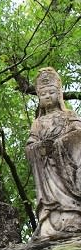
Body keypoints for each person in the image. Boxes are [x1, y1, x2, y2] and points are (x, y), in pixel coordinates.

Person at [25, 67, 81, 238]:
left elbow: (78, 134)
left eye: (51, 92)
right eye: (43, 94)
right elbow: (30, 145)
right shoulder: (38, 123)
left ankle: (72, 216)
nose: (47, 96)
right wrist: (39, 148)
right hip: (46, 170)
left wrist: (59, 144)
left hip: (65, 167)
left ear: (59, 94)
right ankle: (49, 221)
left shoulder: (69, 115)